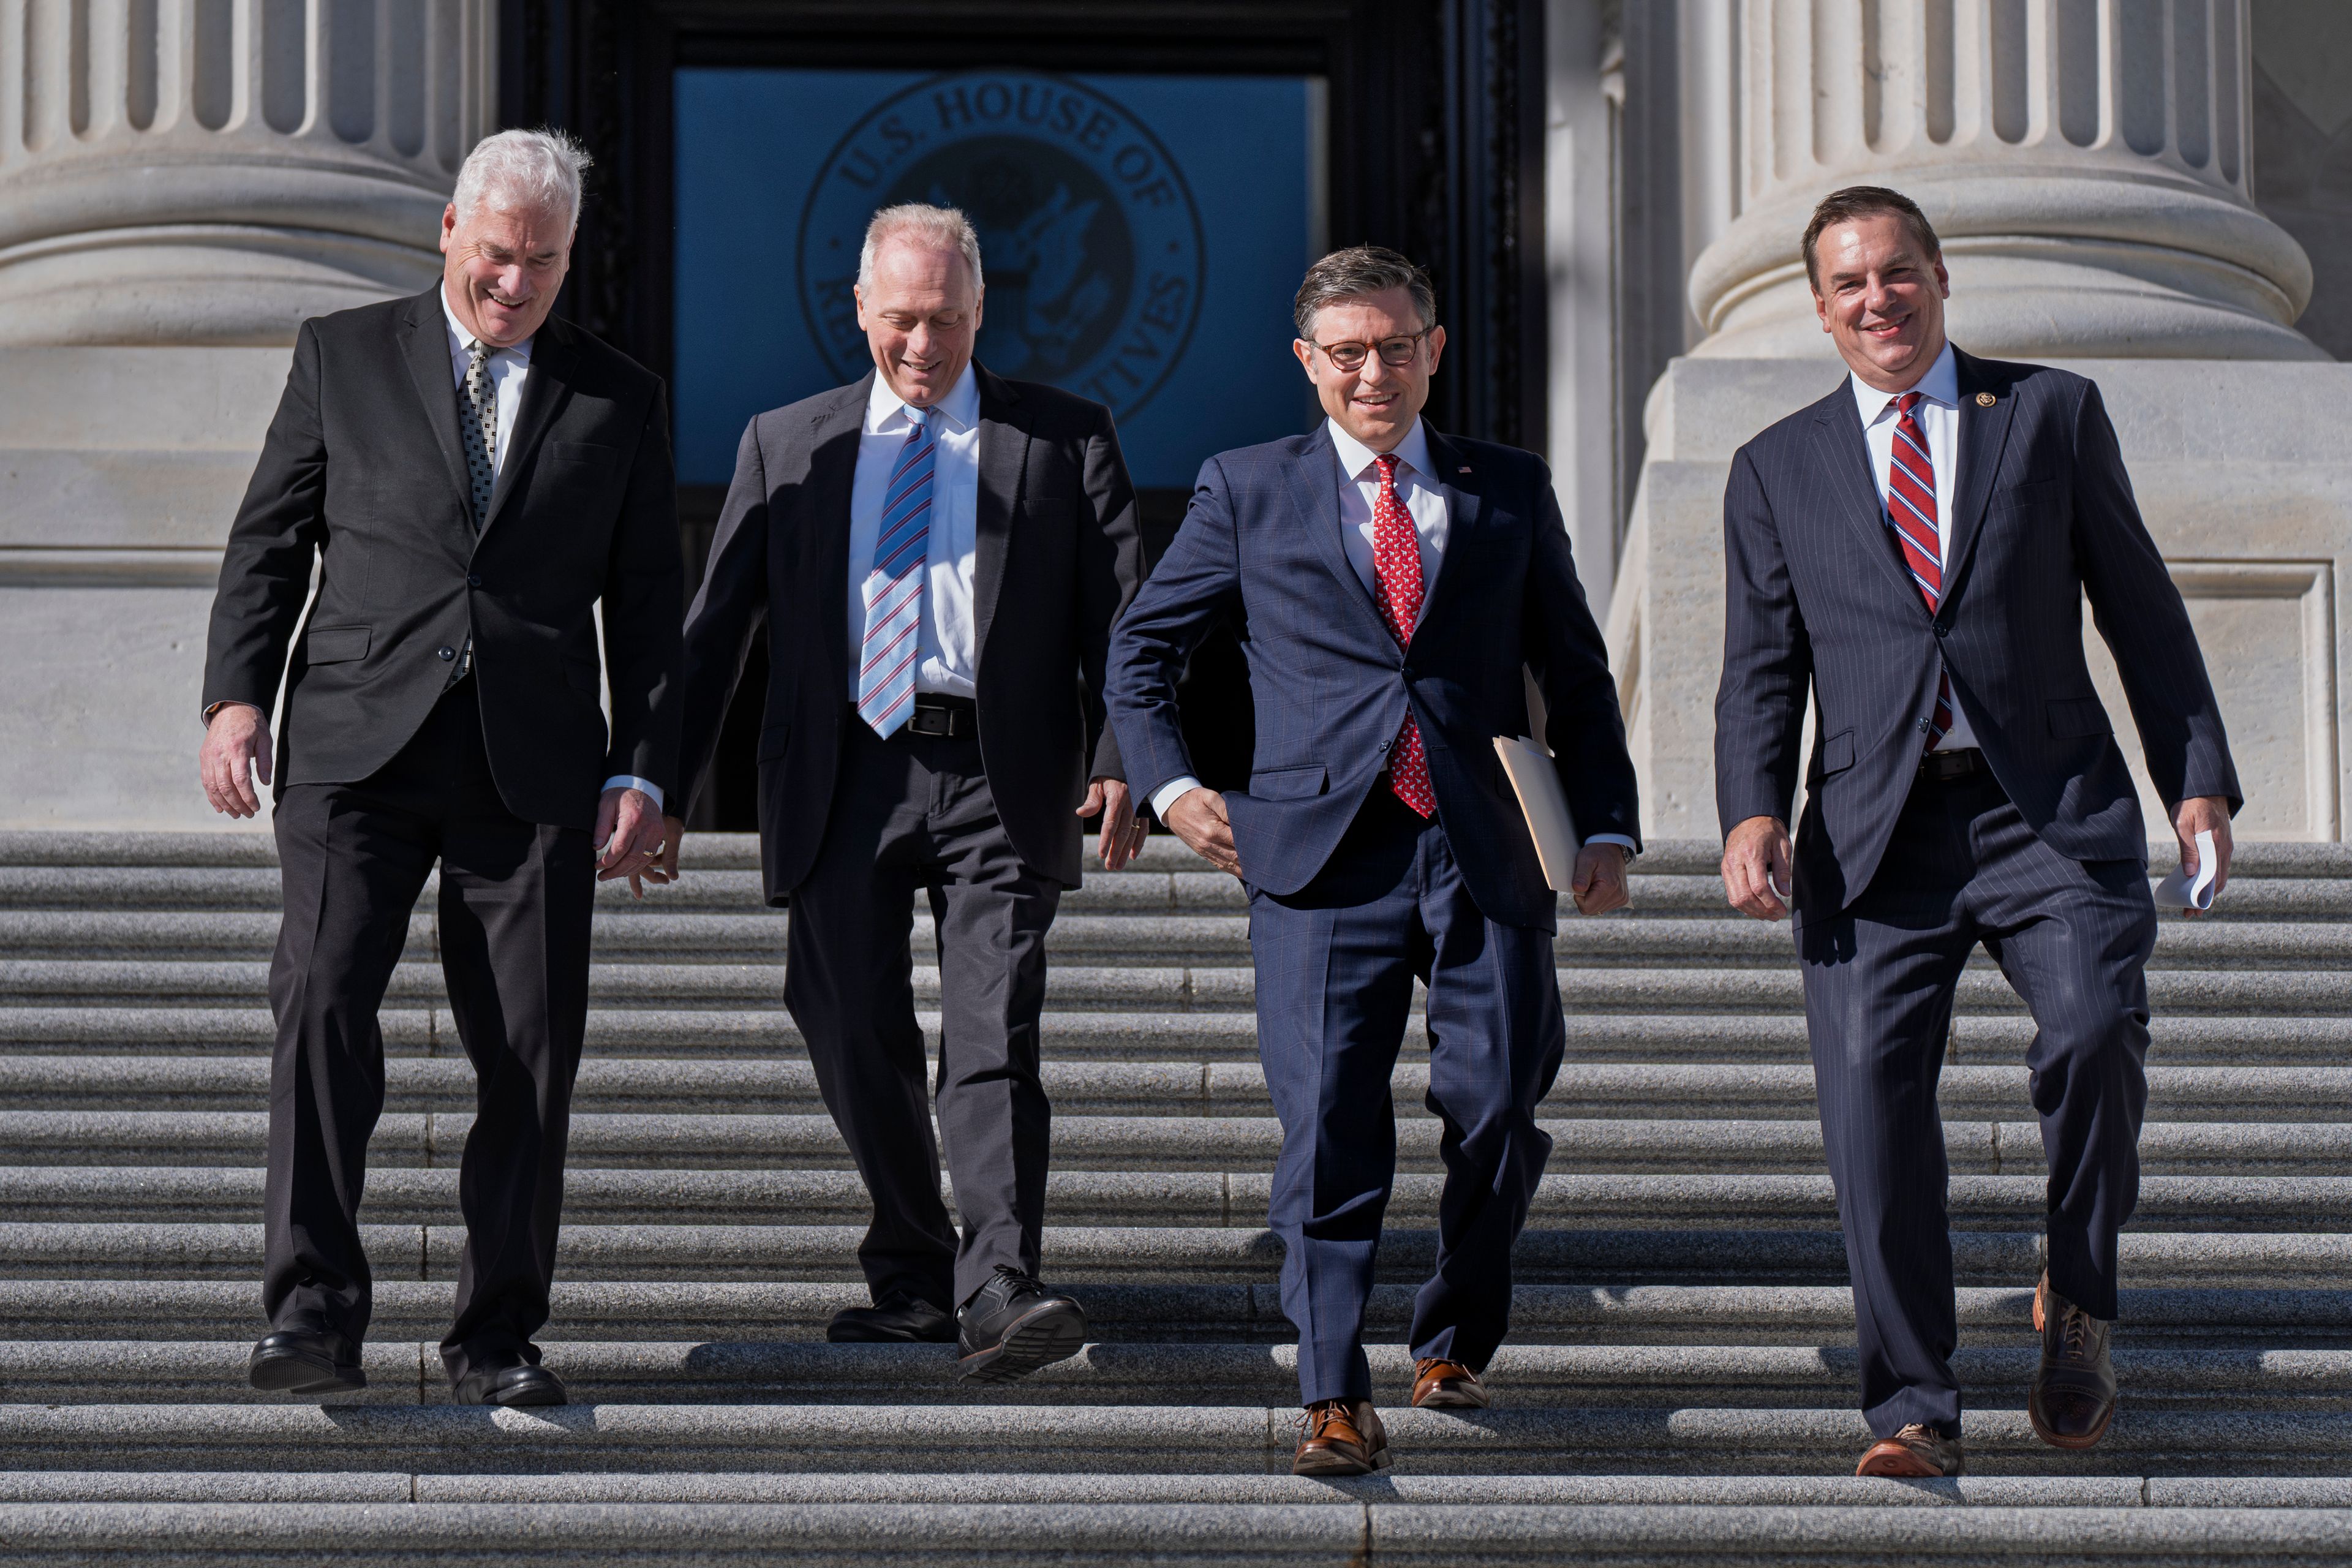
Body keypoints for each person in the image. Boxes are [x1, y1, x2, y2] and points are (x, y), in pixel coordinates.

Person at [1713, 185, 2241, 1478]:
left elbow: (2138, 601)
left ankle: (2079, 1299)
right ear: (1821, 308)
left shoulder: (2047, 411)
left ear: (1942, 278)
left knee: (2097, 1028)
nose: (1877, 300)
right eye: (1849, 284)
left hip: (2046, 811)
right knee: (1873, 1116)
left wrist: (2198, 775)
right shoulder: (1775, 466)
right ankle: (1911, 1404)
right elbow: (1762, 666)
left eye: (1898, 273)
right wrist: (1752, 807)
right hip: (1875, 837)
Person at [1106, 245, 1640, 1475]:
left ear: (1434, 350)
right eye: (1347, 351)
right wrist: (1177, 786)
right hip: (1316, 853)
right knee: (1329, 1121)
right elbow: (1143, 649)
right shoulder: (1246, 486)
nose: (1374, 371)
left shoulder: (1506, 486)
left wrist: (1603, 821)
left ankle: (1455, 1324)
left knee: (1501, 1102)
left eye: (1397, 346)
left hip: (1486, 841)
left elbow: (1574, 664)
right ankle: (1332, 1387)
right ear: (1308, 362)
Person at [198, 128, 683, 1408]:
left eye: (543, 262)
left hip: (529, 772)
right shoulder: (341, 355)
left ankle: (497, 1333)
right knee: (320, 1011)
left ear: (568, 260)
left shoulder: (618, 395)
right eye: (497, 254)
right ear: (450, 231)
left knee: (529, 1049)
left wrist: (644, 768)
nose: (515, 283)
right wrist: (236, 694)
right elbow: (268, 541)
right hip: (356, 749)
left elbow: (645, 606)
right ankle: (310, 1312)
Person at [657, 203, 1146, 1382]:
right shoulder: (790, 443)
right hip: (843, 774)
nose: (923, 346)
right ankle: (914, 1268)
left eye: (946, 321)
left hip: (999, 773)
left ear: (982, 314)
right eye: (902, 320)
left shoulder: (1063, 438)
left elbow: (1129, 621)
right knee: (847, 1027)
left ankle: (1000, 1283)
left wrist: (1127, 755)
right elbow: (716, 631)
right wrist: (659, 783)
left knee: (991, 1027)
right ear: (860, 312)